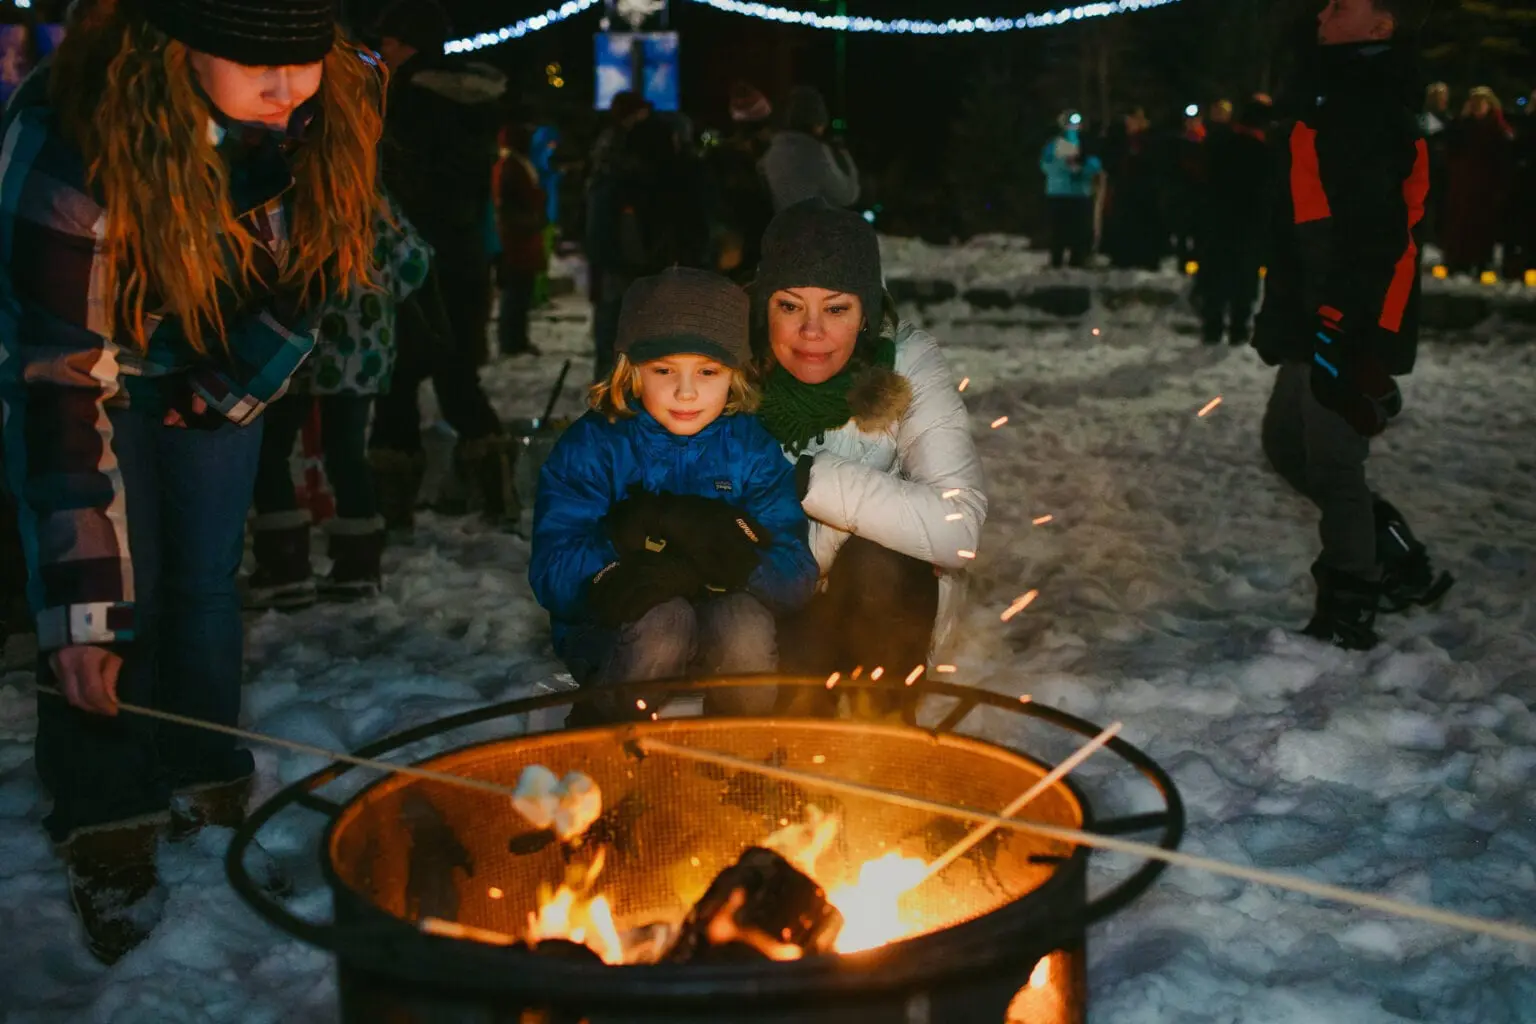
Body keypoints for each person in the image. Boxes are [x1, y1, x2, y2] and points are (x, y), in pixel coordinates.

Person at [0, 0, 382, 962]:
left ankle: (203, 775)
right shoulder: (73, 144)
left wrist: (225, 389)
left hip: (217, 340)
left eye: (302, 63)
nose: (287, 88)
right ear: (175, 45)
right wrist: (82, 617)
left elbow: (320, 266)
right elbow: (58, 385)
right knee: (113, 590)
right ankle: (107, 817)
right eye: (254, 61)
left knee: (206, 578)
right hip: (94, 359)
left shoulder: (338, 100)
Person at [530, 268, 817, 722]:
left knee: (743, 628)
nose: (686, 391)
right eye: (664, 370)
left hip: (720, 632)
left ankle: (745, 756)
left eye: (708, 370)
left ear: (734, 374)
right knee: (664, 623)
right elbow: (551, 572)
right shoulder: (596, 446)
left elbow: (797, 575)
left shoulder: (751, 449)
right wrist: (619, 549)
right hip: (618, 635)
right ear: (633, 370)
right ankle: (608, 741)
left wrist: (742, 558)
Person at [1254, 0, 1452, 652]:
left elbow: (1377, 234)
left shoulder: (1373, 101)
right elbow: (1301, 215)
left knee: (1335, 464)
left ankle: (1349, 605)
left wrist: (1345, 324)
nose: (1327, 10)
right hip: (1316, 310)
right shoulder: (1326, 88)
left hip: (1352, 315)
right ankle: (1392, 552)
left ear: (1382, 24)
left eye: (1346, 4)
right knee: (1286, 444)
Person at [751, 199, 987, 718]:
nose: (811, 331)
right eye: (790, 307)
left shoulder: (906, 365)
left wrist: (808, 480)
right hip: (768, 617)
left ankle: (882, 733)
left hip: (881, 618)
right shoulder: (721, 371)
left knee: (878, 559)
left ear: (865, 315)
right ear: (762, 306)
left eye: (836, 309)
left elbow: (958, 525)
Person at [369, 0, 518, 530]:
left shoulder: (409, 102)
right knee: (456, 379)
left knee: (397, 380)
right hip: (462, 260)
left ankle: (391, 502)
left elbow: (403, 184)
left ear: (409, 42)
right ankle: (495, 490)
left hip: (414, 260)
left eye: (388, 38)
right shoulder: (471, 102)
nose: (380, 48)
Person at [248, 196, 433, 609]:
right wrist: (374, 291)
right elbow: (414, 265)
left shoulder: (294, 196)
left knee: (270, 448)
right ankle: (359, 566)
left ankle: (285, 565)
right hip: (362, 349)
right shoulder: (376, 205)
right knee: (345, 453)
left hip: (300, 344)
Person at [586, 116, 714, 381]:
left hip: (620, 281)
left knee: (616, 358)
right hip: (653, 281)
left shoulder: (612, 181)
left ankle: (614, 408)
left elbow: (598, 241)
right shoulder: (674, 180)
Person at [1196, 94, 1273, 345]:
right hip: (1248, 225)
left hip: (1218, 221)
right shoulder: (1264, 152)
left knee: (1217, 275)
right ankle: (1238, 328)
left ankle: (1213, 326)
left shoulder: (1221, 144)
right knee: (1244, 278)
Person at [1443, 86, 1515, 276]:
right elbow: (1452, 144)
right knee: (1462, 223)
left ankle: (1483, 261)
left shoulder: (1497, 125)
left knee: (1484, 225)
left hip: (1487, 184)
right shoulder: (1465, 125)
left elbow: (1504, 154)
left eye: (1480, 103)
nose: (1476, 107)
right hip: (1466, 183)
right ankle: (1461, 261)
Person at [758, 85, 860, 213]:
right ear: (817, 121)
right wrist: (844, 156)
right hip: (816, 229)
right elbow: (847, 195)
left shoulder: (772, 152)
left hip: (783, 229)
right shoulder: (815, 153)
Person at [493, 122, 547, 358]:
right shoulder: (511, 167)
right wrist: (531, 220)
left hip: (520, 236)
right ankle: (511, 341)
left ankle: (516, 339)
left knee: (520, 291)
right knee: (516, 292)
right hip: (517, 238)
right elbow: (509, 205)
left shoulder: (511, 165)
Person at [1101, 106, 1169, 271]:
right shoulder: (1121, 140)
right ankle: (1125, 257)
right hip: (1126, 191)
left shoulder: (1152, 140)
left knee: (1146, 225)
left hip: (1147, 191)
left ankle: (1148, 257)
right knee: (1125, 225)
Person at [1039, 110, 1101, 269]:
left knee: (1079, 232)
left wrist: (1081, 167)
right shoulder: (1053, 145)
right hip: (1058, 193)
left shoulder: (1086, 143)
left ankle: (1077, 260)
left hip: (1080, 194)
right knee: (1058, 230)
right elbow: (1046, 165)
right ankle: (1056, 261)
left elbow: (1095, 165)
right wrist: (1066, 166)